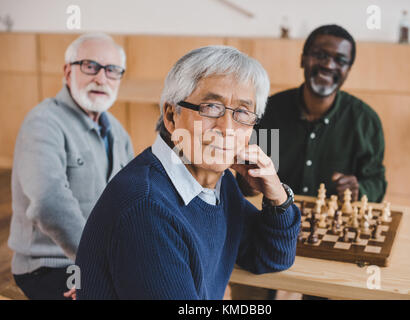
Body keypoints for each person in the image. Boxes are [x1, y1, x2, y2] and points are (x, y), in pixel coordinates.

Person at [75, 45, 301, 300]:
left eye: (242, 112)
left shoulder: (218, 181)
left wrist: (277, 197)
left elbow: (271, 257)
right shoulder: (146, 209)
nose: (226, 128)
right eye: (211, 107)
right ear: (171, 115)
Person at [232, 24, 387, 299]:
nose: (328, 65)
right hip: (274, 224)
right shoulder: (271, 113)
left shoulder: (365, 121)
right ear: (303, 58)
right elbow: (248, 186)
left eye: (340, 60)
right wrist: (250, 183)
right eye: (320, 54)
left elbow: (376, 182)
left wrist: (360, 189)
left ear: (348, 69)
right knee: (248, 285)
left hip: (331, 235)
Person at [8, 33, 134, 300]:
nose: (101, 78)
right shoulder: (43, 122)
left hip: (100, 259)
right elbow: (48, 202)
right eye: (90, 66)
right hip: (48, 265)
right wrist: (94, 265)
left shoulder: (118, 132)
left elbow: (131, 201)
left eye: (112, 71)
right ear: (67, 72)